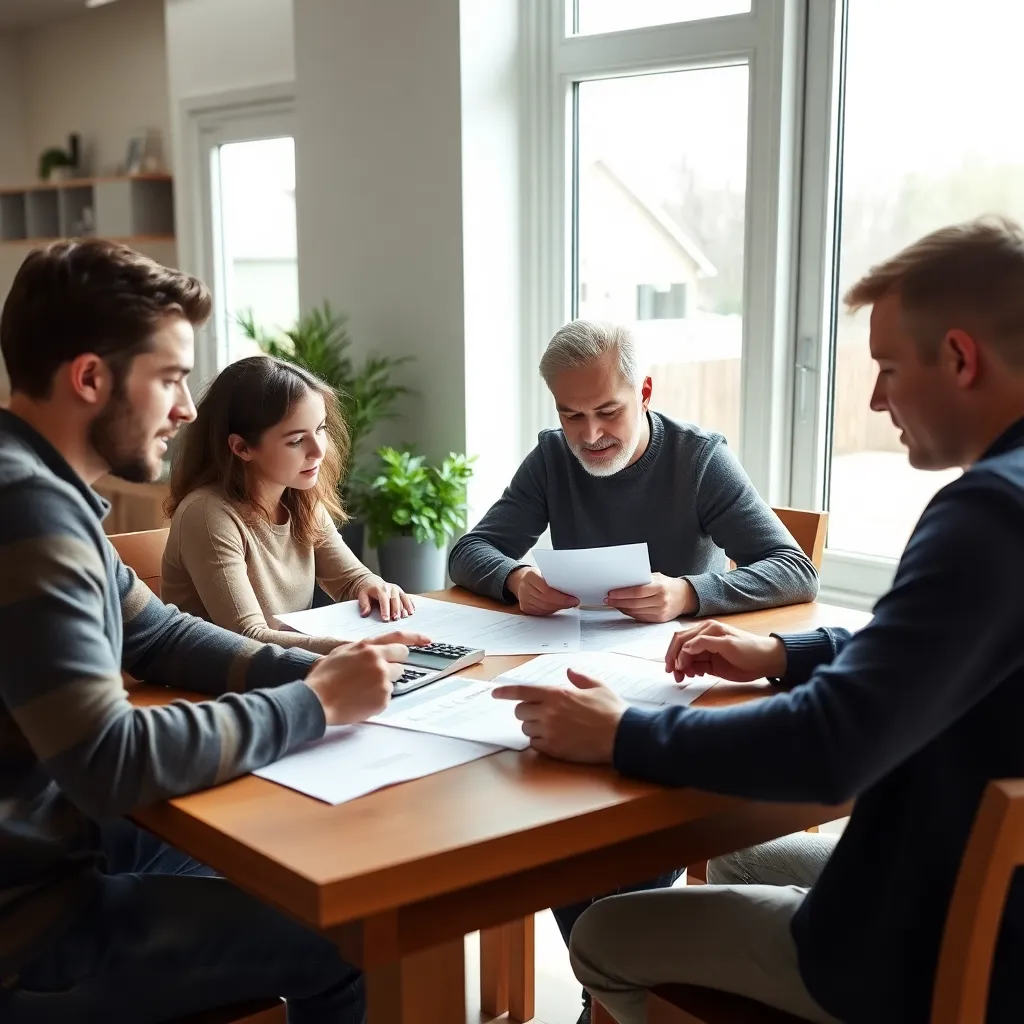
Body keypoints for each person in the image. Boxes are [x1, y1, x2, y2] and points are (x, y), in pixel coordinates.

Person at [493, 216, 1024, 1024]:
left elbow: (828, 748)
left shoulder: (988, 513)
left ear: (959, 358)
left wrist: (620, 735)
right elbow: (934, 650)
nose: (876, 398)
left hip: (916, 938)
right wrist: (782, 650)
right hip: (969, 876)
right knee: (731, 847)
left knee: (602, 931)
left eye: (885, 368)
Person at [0, 239, 428, 1023]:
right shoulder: (25, 512)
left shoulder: (39, 488)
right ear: (90, 378)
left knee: (286, 860)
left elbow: (157, 635)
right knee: (348, 936)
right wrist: (315, 707)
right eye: (169, 378)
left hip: (51, 841)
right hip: (30, 929)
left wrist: (310, 675)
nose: (188, 408)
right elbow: (108, 760)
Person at [448, 319, 818, 623]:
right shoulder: (553, 456)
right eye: (571, 415)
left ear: (644, 393)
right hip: (571, 653)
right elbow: (468, 551)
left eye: (608, 412)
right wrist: (516, 578)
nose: (590, 435)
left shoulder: (699, 459)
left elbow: (796, 572)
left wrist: (688, 593)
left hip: (679, 660)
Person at [162, 355, 414, 655]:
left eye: (320, 429)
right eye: (296, 441)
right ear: (242, 448)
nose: (318, 450)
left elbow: (350, 580)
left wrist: (374, 587)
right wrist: (351, 650)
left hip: (284, 671)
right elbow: (247, 636)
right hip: (221, 686)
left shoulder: (298, 495)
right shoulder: (207, 514)